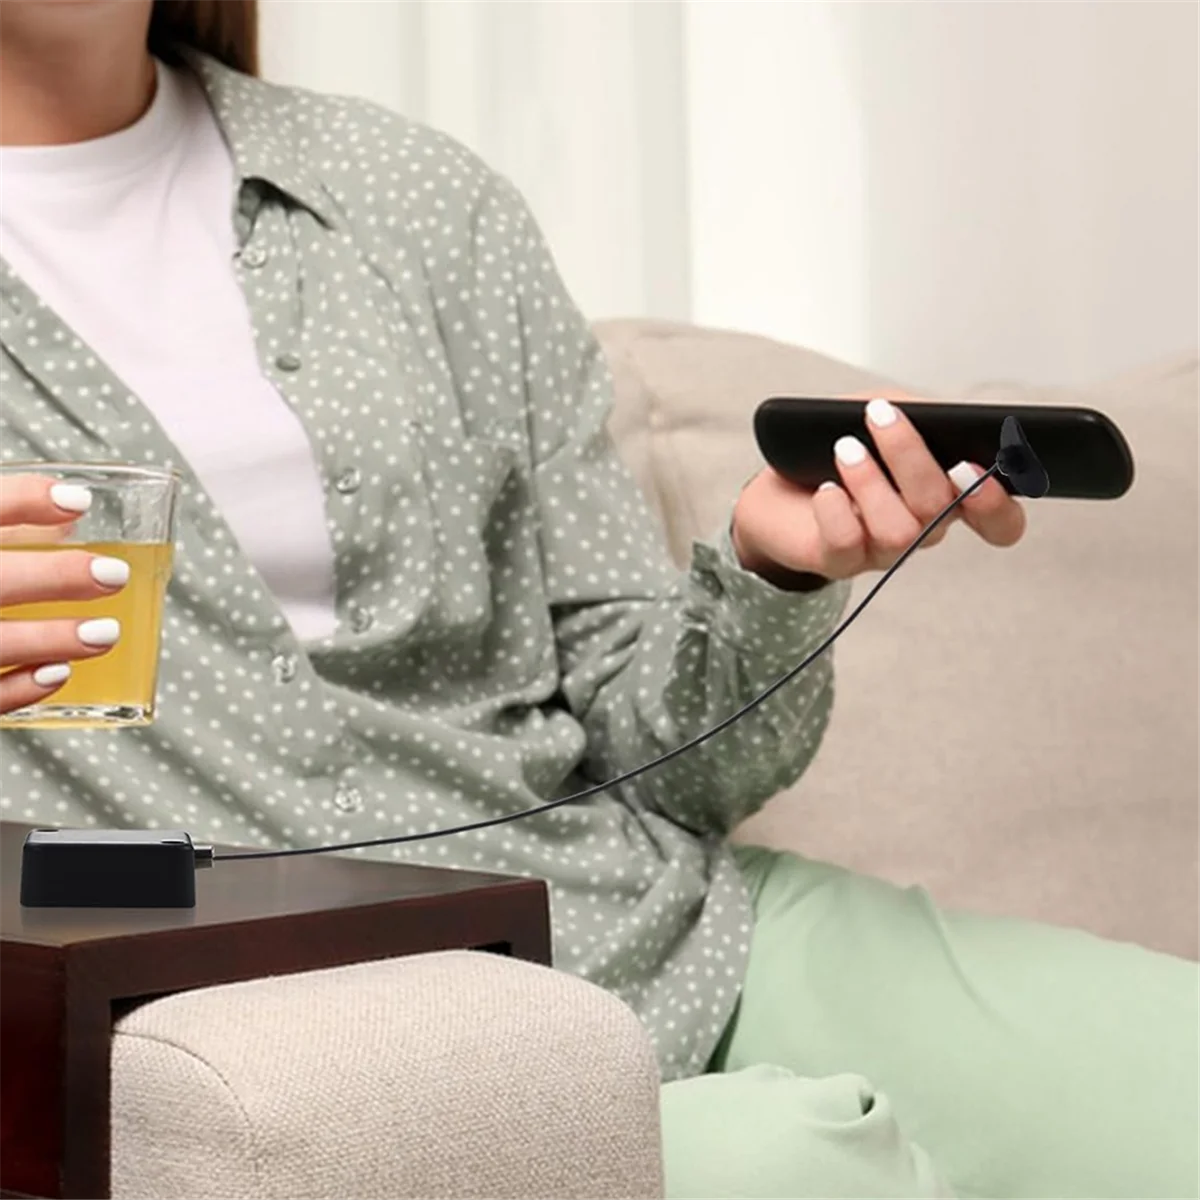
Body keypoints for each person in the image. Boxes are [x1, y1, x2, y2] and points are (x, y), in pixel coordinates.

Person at [0, 3, 1195, 1196]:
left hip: (647, 924)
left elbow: (672, 766)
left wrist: (771, 569)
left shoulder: (414, 194)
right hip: (266, 1034)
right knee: (807, 1168)